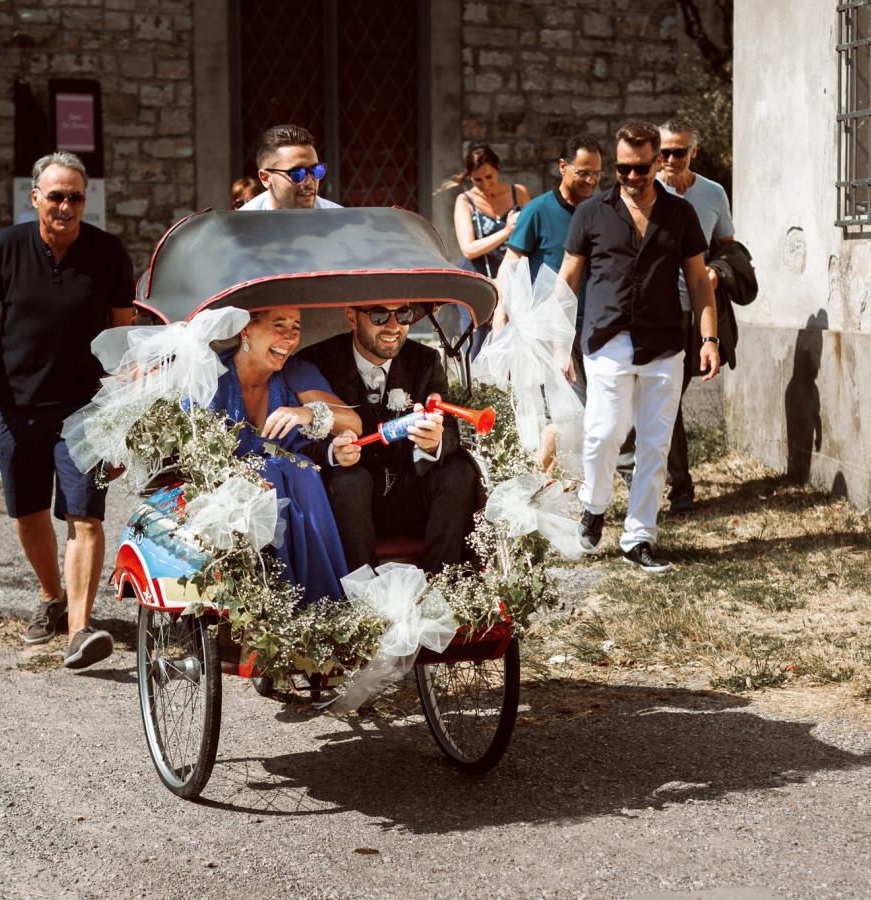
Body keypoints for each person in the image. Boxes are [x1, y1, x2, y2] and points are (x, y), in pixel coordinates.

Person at [0, 151, 134, 668]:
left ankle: (80, 629)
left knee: (86, 517)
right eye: (56, 196)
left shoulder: (107, 253)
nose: (66, 206)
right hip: (20, 407)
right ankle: (51, 597)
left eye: (75, 197)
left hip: (85, 410)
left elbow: (122, 340)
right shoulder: (8, 247)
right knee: (29, 510)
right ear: (35, 198)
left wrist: (120, 420)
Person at [558, 122, 721, 573]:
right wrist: (559, 340)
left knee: (654, 443)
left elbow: (699, 282)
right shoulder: (591, 213)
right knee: (603, 432)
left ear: (658, 162)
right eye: (623, 168)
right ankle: (594, 506)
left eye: (641, 168)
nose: (632, 177)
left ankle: (639, 537)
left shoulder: (680, 214)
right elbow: (567, 280)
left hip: (664, 344)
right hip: (605, 340)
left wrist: (709, 338)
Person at [297, 303, 482, 574]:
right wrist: (332, 453)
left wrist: (433, 443)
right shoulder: (316, 361)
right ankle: (361, 594)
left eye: (404, 314)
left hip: (410, 495)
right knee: (350, 481)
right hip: (350, 501)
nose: (393, 326)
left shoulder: (425, 360)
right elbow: (299, 439)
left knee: (459, 472)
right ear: (352, 317)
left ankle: (445, 584)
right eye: (379, 315)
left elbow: (450, 428)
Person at [616, 118, 737, 512]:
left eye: (678, 152)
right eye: (664, 152)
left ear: (693, 152)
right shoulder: (645, 191)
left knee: (666, 400)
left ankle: (668, 482)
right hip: (654, 313)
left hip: (694, 312)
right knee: (660, 400)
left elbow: (728, 245)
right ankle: (674, 484)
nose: (669, 159)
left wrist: (717, 270)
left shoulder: (713, 194)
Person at [207, 308, 363, 605]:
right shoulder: (213, 377)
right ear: (246, 329)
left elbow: (353, 423)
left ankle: (321, 603)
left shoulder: (294, 371)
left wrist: (307, 413)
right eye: (278, 325)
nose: (290, 337)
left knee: (301, 470)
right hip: (229, 497)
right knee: (269, 474)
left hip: (298, 490)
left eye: (296, 327)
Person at [502, 134, 604, 397]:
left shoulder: (603, 212)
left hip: (597, 326)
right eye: (584, 173)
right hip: (550, 329)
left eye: (596, 173)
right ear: (562, 167)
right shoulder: (537, 211)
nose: (591, 180)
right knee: (567, 407)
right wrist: (501, 318)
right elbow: (509, 266)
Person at [448, 144, 530, 278]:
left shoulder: (519, 193)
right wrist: (506, 232)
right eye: (478, 180)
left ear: (498, 168)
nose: (485, 185)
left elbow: (533, 232)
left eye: (489, 177)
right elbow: (468, 250)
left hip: (513, 276)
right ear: (470, 176)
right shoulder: (465, 201)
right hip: (478, 279)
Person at [238, 124, 342, 211]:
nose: (309, 182)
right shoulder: (244, 225)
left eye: (316, 170)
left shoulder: (339, 220)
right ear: (265, 178)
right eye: (297, 173)